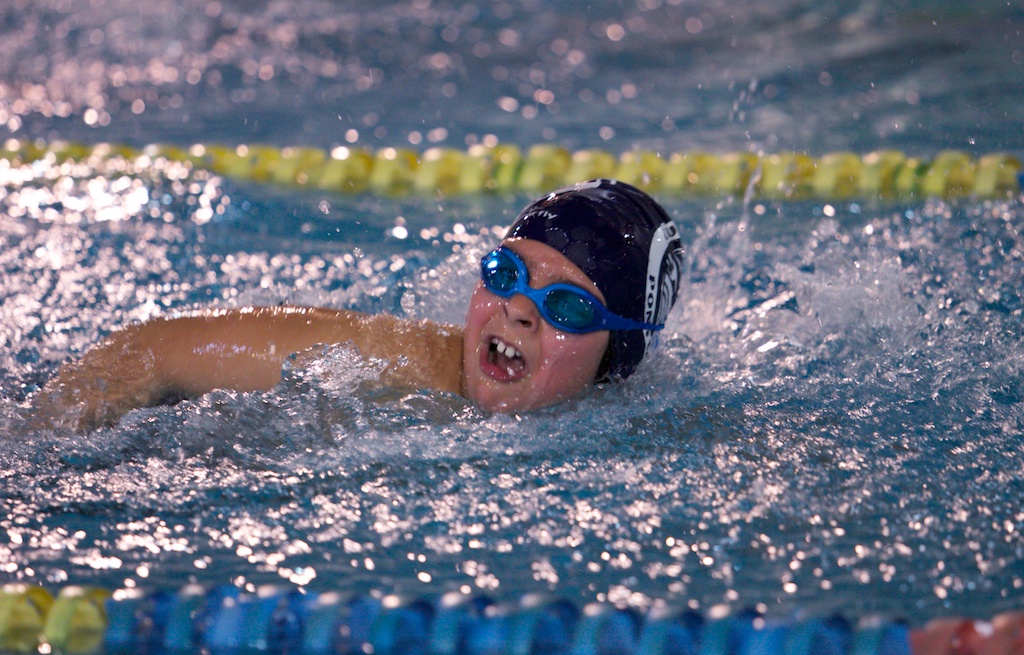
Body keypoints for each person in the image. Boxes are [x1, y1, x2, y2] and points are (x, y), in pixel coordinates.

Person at [32, 179, 684, 432]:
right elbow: (151, 348)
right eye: (506, 271)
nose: (519, 309)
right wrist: (43, 439)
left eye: (567, 306)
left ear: (617, 356)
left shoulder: (645, 434)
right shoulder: (386, 360)